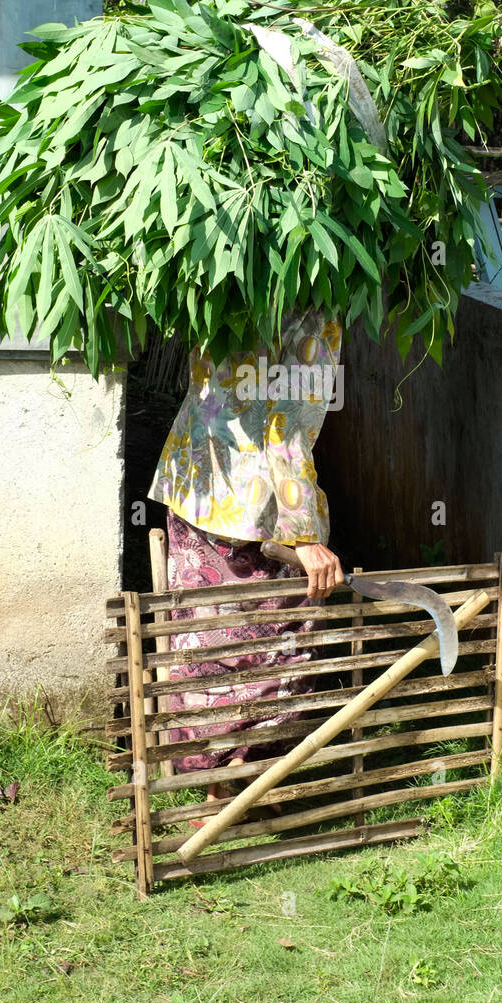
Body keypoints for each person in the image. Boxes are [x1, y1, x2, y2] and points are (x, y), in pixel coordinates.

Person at [147, 306, 344, 815]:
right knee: (278, 650)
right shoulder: (315, 300)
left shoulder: (223, 273)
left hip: (197, 483)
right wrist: (303, 534)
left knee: (206, 644)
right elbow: (287, 424)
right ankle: (238, 787)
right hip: (258, 508)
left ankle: (226, 787)